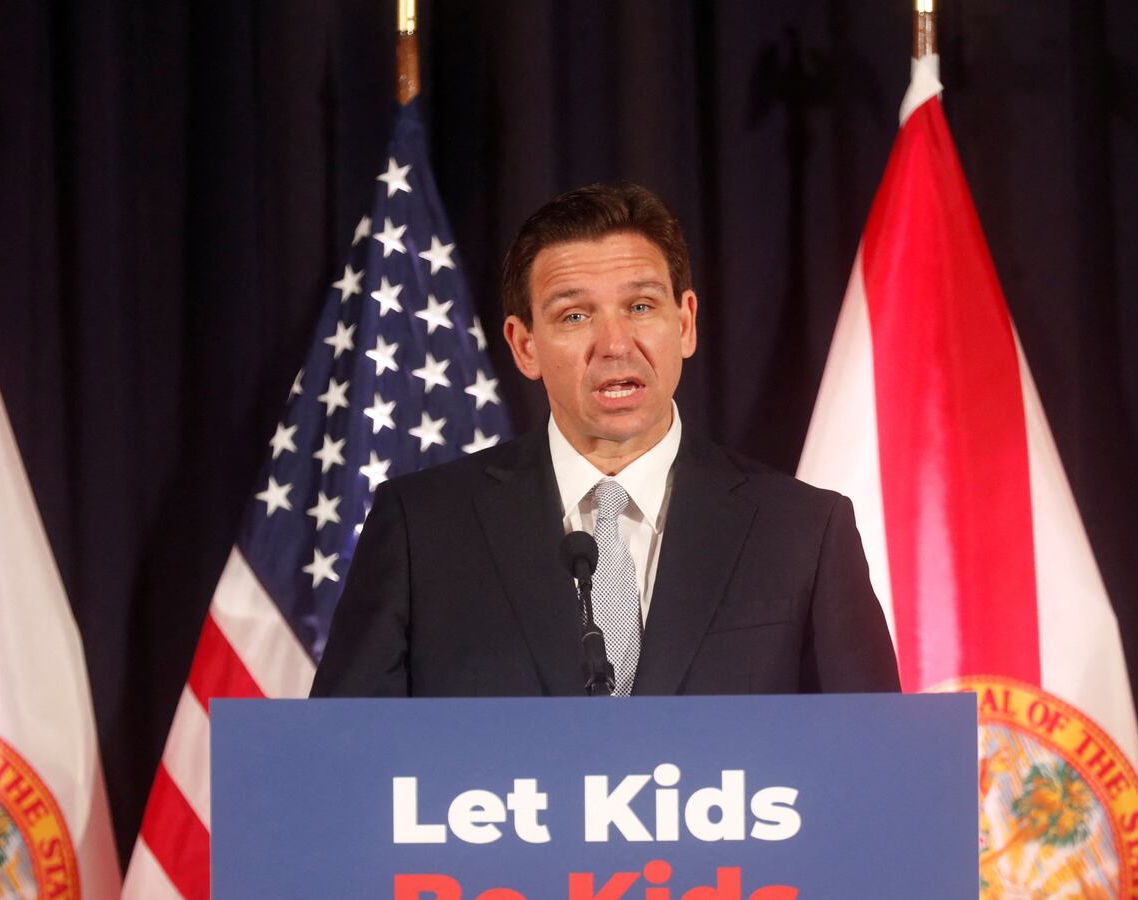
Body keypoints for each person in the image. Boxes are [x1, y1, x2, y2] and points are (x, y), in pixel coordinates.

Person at [310, 182, 898, 697]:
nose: (615, 344)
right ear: (524, 345)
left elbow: (870, 765)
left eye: (641, 306)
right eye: (574, 316)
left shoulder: (803, 530)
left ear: (685, 322)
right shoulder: (422, 529)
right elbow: (346, 762)